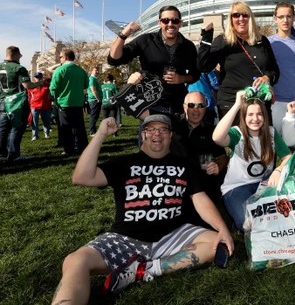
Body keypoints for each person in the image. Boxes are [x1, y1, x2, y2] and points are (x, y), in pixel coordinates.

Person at [51, 115, 234, 303]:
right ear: (142, 135)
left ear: (170, 136)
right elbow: (81, 177)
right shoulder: (124, 163)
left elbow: (200, 199)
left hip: (173, 235)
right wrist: (100, 134)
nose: (157, 133)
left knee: (219, 245)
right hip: (125, 238)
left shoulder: (184, 165)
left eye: (163, 129)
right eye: (150, 129)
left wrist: (222, 229)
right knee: (75, 261)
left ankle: (145, 270)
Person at [213, 89, 291, 231]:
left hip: (264, 185)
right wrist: (237, 104)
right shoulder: (237, 133)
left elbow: (288, 157)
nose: (255, 119)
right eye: (250, 114)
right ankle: (237, 218)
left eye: (259, 114)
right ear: (243, 116)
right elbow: (217, 137)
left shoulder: (271, 132)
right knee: (248, 225)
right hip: (237, 187)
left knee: (284, 216)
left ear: (264, 116)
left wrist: (278, 170)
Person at [107, 5, 199, 115]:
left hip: (178, 105)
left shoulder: (188, 46)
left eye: (174, 20)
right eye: (165, 20)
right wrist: (123, 35)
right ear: (159, 23)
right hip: (150, 105)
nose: (170, 24)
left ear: (180, 23)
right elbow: (114, 59)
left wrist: (181, 78)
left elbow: (196, 74)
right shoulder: (146, 40)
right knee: (153, 132)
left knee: (178, 132)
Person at [197, 2, 279, 119]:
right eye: (236, 15)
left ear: (250, 18)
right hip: (231, 104)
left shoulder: (262, 40)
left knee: (263, 137)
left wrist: (267, 78)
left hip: (258, 103)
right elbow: (203, 66)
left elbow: (274, 70)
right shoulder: (223, 41)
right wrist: (206, 38)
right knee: (234, 137)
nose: (241, 19)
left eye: (245, 15)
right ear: (230, 19)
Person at [175, 91, 228, 201]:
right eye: (191, 105)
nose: (196, 109)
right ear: (184, 107)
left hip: (203, 181)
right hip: (177, 179)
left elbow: (223, 157)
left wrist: (217, 165)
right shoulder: (173, 126)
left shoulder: (212, 131)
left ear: (205, 108)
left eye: (201, 105)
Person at [268, 2, 295, 133]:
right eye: (281, 17)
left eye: (288, 16)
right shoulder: (268, 43)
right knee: (277, 144)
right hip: (275, 101)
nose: (285, 20)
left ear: (294, 18)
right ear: (275, 18)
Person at [0, 46, 42, 161]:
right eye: (19, 55)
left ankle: (2, 152)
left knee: (3, 128)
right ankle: (14, 155)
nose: (20, 57)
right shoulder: (19, 68)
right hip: (16, 102)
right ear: (14, 54)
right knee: (16, 127)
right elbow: (27, 85)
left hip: (3, 100)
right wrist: (40, 83)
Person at [49, 49, 89, 155]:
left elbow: (53, 88)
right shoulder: (81, 70)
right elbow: (86, 85)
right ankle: (83, 147)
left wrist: (55, 99)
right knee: (79, 127)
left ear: (65, 57)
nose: (59, 59)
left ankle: (69, 149)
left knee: (66, 128)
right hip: (78, 103)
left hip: (64, 103)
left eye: (61, 57)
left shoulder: (59, 70)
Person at [28, 72, 52, 141]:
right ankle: (35, 135)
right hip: (34, 106)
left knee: (46, 121)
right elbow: (29, 96)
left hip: (46, 106)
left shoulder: (47, 85)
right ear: (34, 78)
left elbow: (51, 94)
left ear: (41, 78)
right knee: (34, 122)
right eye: (36, 77)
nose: (37, 79)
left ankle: (46, 134)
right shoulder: (31, 86)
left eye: (39, 77)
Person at [87, 66, 102, 136]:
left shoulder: (95, 79)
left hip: (95, 100)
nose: (97, 72)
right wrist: (98, 98)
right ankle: (92, 131)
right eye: (96, 70)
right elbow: (93, 90)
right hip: (94, 100)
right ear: (91, 71)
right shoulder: (92, 79)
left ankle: (93, 130)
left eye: (98, 70)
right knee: (93, 116)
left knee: (95, 116)